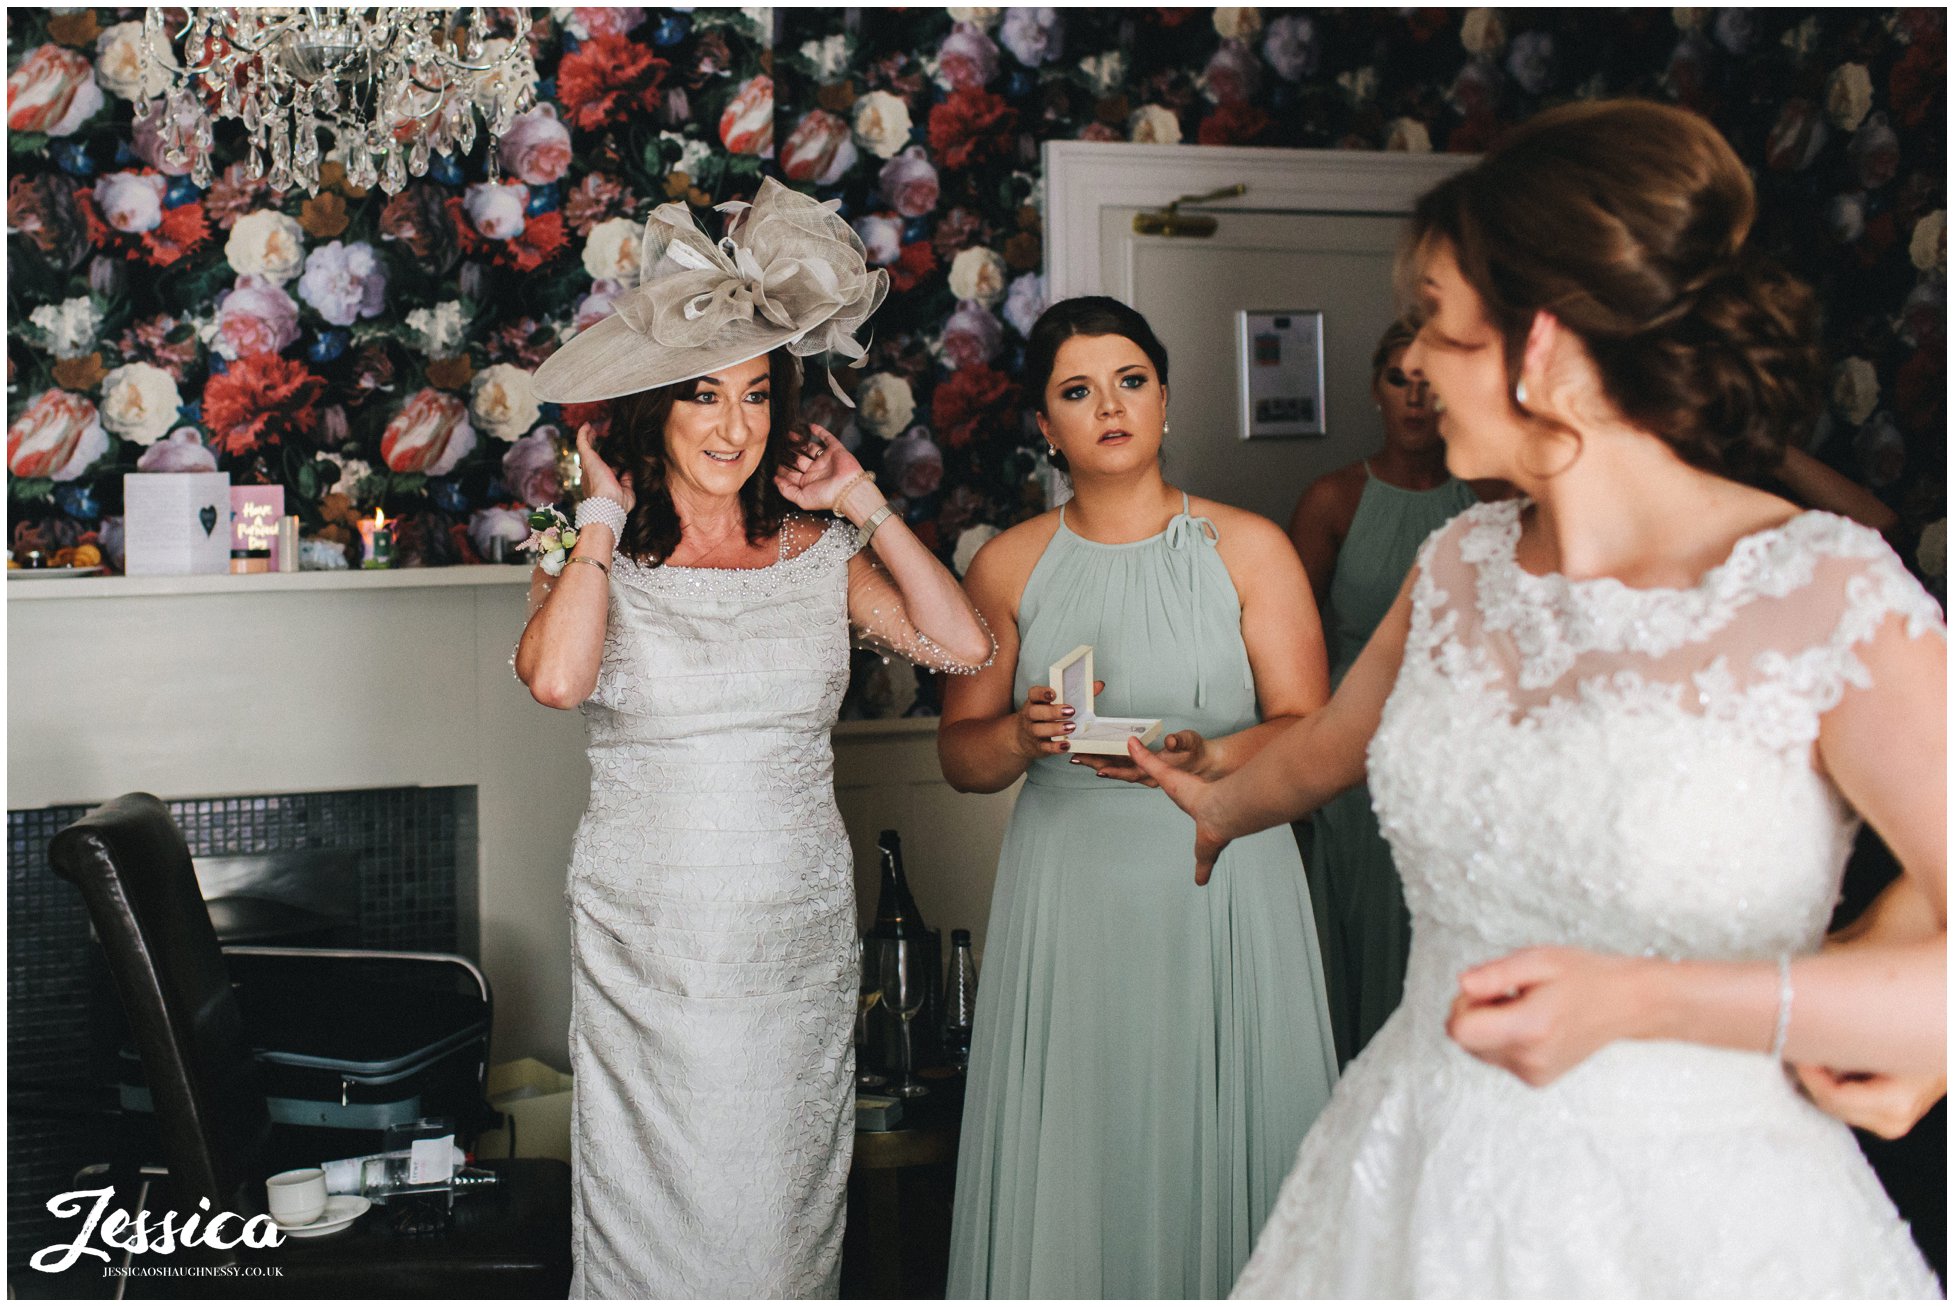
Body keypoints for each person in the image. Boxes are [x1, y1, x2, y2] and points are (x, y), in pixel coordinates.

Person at [1126, 101, 1945, 1297]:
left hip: (1698, 1214)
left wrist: (1649, 997)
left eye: (1436, 328)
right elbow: (1338, 740)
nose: (1407, 361)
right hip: (1414, 1173)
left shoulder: (1824, 594)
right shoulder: (1459, 568)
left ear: (1544, 345)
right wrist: (1218, 802)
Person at [516, 179, 992, 1298]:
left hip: (792, 936)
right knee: (652, 1223)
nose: (733, 427)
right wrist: (593, 510)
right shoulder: (595, 556)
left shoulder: (818, 554)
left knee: (775, 1228)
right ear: (653, 412)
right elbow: (558, 679)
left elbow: (964, 647)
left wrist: (865, 498)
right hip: (650, 937)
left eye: (754, 397)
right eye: (700, 398)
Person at [939, 296, 1339, 1298]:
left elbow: (1309, 721)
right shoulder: (1007, 563)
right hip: (1073, 889)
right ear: (1045, 424)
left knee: (1226, 1122)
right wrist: (1019, 735)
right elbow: (960, 755)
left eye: (1129, 380)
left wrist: (1210, 753)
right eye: (1077, 390)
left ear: (1163, 396)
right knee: (1088, 1129)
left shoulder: (1248, 547)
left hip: (1225, 880)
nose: (1108, 405)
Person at [1287, 321, 1480, 1064]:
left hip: (1460, 749)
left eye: (1429, 381)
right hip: (1352, 750)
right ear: (1377, 389)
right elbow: (1285, 644)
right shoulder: (1334, 499)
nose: (1415, 397)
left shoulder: (1486, 503)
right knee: (1364, 930)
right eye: (1400, 379)